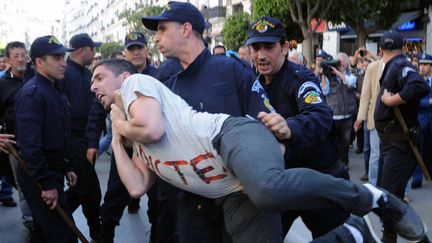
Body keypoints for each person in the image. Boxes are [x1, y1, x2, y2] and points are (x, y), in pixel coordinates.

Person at [91, 58, 426, 243]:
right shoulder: (134, 138)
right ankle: (352, 234)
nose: (92, 85)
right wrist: (119, 142)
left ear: (121, 78)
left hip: (233, 137)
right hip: (231, 189)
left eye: (98, 77)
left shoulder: (135, 84)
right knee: (263, 193)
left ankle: (372, 197)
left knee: (268, 189)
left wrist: (119, 125)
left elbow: (151, 127)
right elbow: (137, 186)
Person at [142, 2, 275, 242]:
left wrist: (258, 172)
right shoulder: (167, 90)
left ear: (185, 29)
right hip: (193, 209)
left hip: (241, 200)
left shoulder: (232, 70)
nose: (156, 38)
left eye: (162, 29)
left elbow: (265, 123)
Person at [245, 16, 350, 238]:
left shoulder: (300, 78)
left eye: (269, 47)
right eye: (255, 47)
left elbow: (321, 116)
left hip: (321, 181)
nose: (261, 55)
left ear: (284, 48)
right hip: (282, 184)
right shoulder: (252, 83)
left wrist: (290, 127)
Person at [94, 31, 160, 243]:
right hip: (124, 148)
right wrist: (92, 142)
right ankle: (105, 237)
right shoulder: (113, 81)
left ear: (147, 50)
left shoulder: (159, 76)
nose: (136, 53)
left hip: (153, 148)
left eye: (139, 48)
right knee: (114, 196)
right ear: (125, 53)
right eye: (131, 49)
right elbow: (95, 113)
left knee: (158, 201)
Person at [15, 35, 78, 242]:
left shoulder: (53, 88)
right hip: (40, 175)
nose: (63, 63)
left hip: (53, 169)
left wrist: (67, 166)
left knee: (49, 231)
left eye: (63, 57)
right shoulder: (32, 94)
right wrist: (46, 184)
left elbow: (59, 132)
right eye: (57, 58)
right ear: (39, 62)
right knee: (62, 235)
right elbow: (31, 146)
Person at [374, 31, 430, 242]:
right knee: (386, 197)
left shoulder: (399, 65)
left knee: (387, 199)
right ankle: (391, 237)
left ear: (380, 51)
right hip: (390, 144)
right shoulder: (396, 64)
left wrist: (392, 100)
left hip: (399, 146)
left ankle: (414, 238)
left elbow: (419, 86)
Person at [62, 33, 103, 241]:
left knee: (81, 191)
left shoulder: (87, 74)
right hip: (74, 142)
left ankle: (54, 220)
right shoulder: (65, 74)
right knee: (90, 191)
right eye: (92, 49)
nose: (94, 53)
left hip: (87, 140)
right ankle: (96, 230)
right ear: (82, 50)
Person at [0, 41, 35, 235]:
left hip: (38, 143)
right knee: (24, 186)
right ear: (7, 60)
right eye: (16, 56)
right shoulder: (2, 85)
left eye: (24, 55)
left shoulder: (36, 77)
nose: (21, 59)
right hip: (16, 145)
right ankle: (30, 222)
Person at [321, 52, 358, 166]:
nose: (341, 64)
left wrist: (337, 72)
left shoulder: (351, 75)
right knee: (334, 142)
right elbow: (324, 91)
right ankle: (335, 163)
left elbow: (350, 82)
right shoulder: (329, 76)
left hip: (347, 115)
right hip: (333, 115)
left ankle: (344, 163)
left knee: (345, 142)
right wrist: (323, 75)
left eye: (342, 62)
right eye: (338, 62)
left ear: (347, 63)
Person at [354, 57, 384, 186]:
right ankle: (373, 186)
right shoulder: (373, 67)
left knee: (396, 156)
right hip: (375, 118)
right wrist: (360, 118)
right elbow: (365, 95)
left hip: (396, 121)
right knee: (375, 155)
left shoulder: (402, 65)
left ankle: (402, 191)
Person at [411, 53, 432, 189]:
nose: (422, 67)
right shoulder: (416, 80)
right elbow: (412, 100)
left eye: (425, 65)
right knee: (418, 150)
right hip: (421, 119)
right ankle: (417, 178)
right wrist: (428, 102)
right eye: (421, 64)